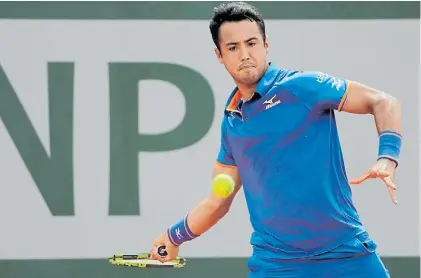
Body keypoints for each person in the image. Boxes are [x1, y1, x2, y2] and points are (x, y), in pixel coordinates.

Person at [150, 2, 402, 277]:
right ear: (219, 56)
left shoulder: (302, 87)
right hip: (276, 264)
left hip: (346, 254)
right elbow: (217, 201)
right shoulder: (232, 122)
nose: (245, 54)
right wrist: (173, 237)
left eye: (251, 43)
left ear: (266, 45)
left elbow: (383, 101)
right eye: (233, 47)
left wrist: (387, 158)